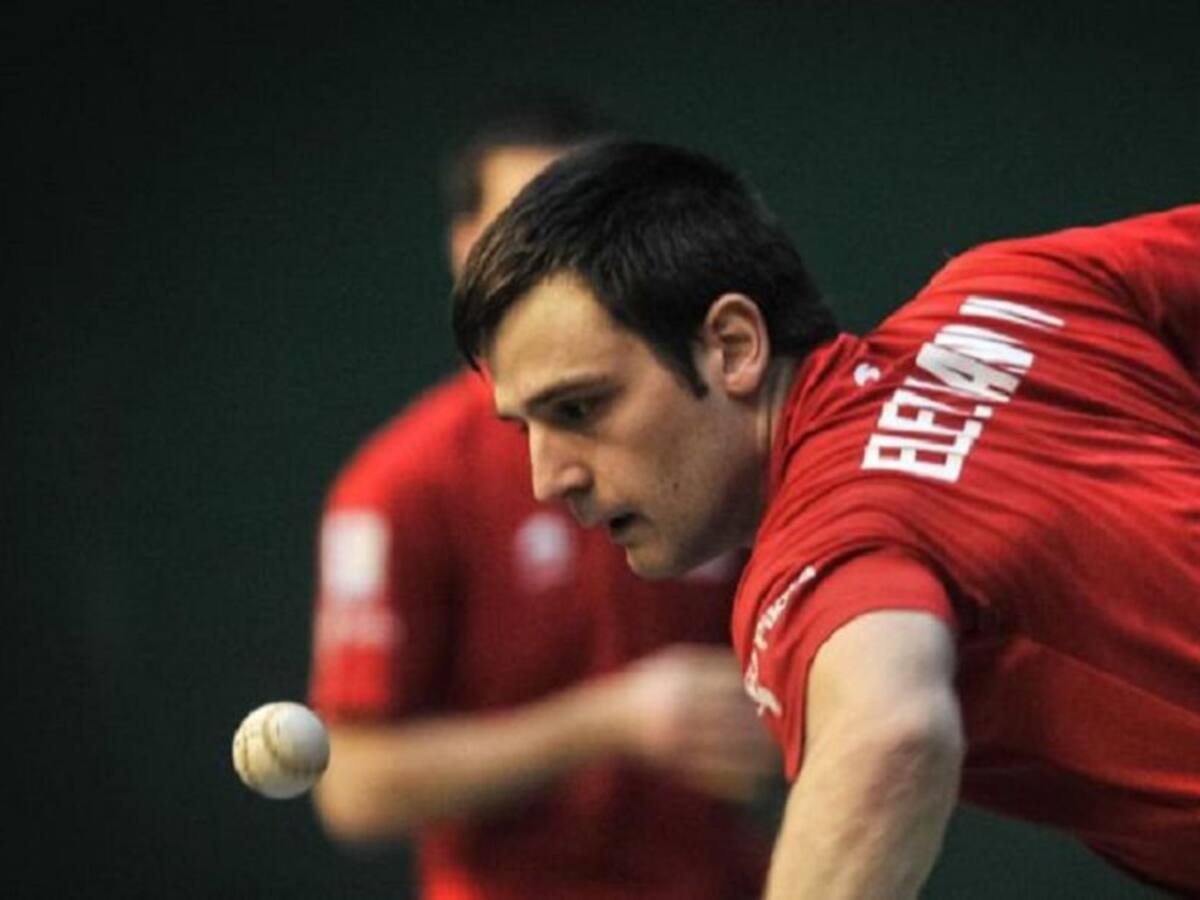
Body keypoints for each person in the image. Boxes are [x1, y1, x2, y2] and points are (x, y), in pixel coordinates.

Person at [451, 139, 1200, 898]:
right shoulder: (1015, 291)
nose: (549, 479)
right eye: (525, 428)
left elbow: (890, 737)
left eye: (580, 409)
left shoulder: (823, 553)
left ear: (732, 346)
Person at [307, 105, 778, 900]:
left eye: (593, 233)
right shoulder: (404, 483)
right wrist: (610, 721)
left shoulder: (711, 434)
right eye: (526, 231)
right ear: (466, 249)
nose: (565, 266)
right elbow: (352, 787)